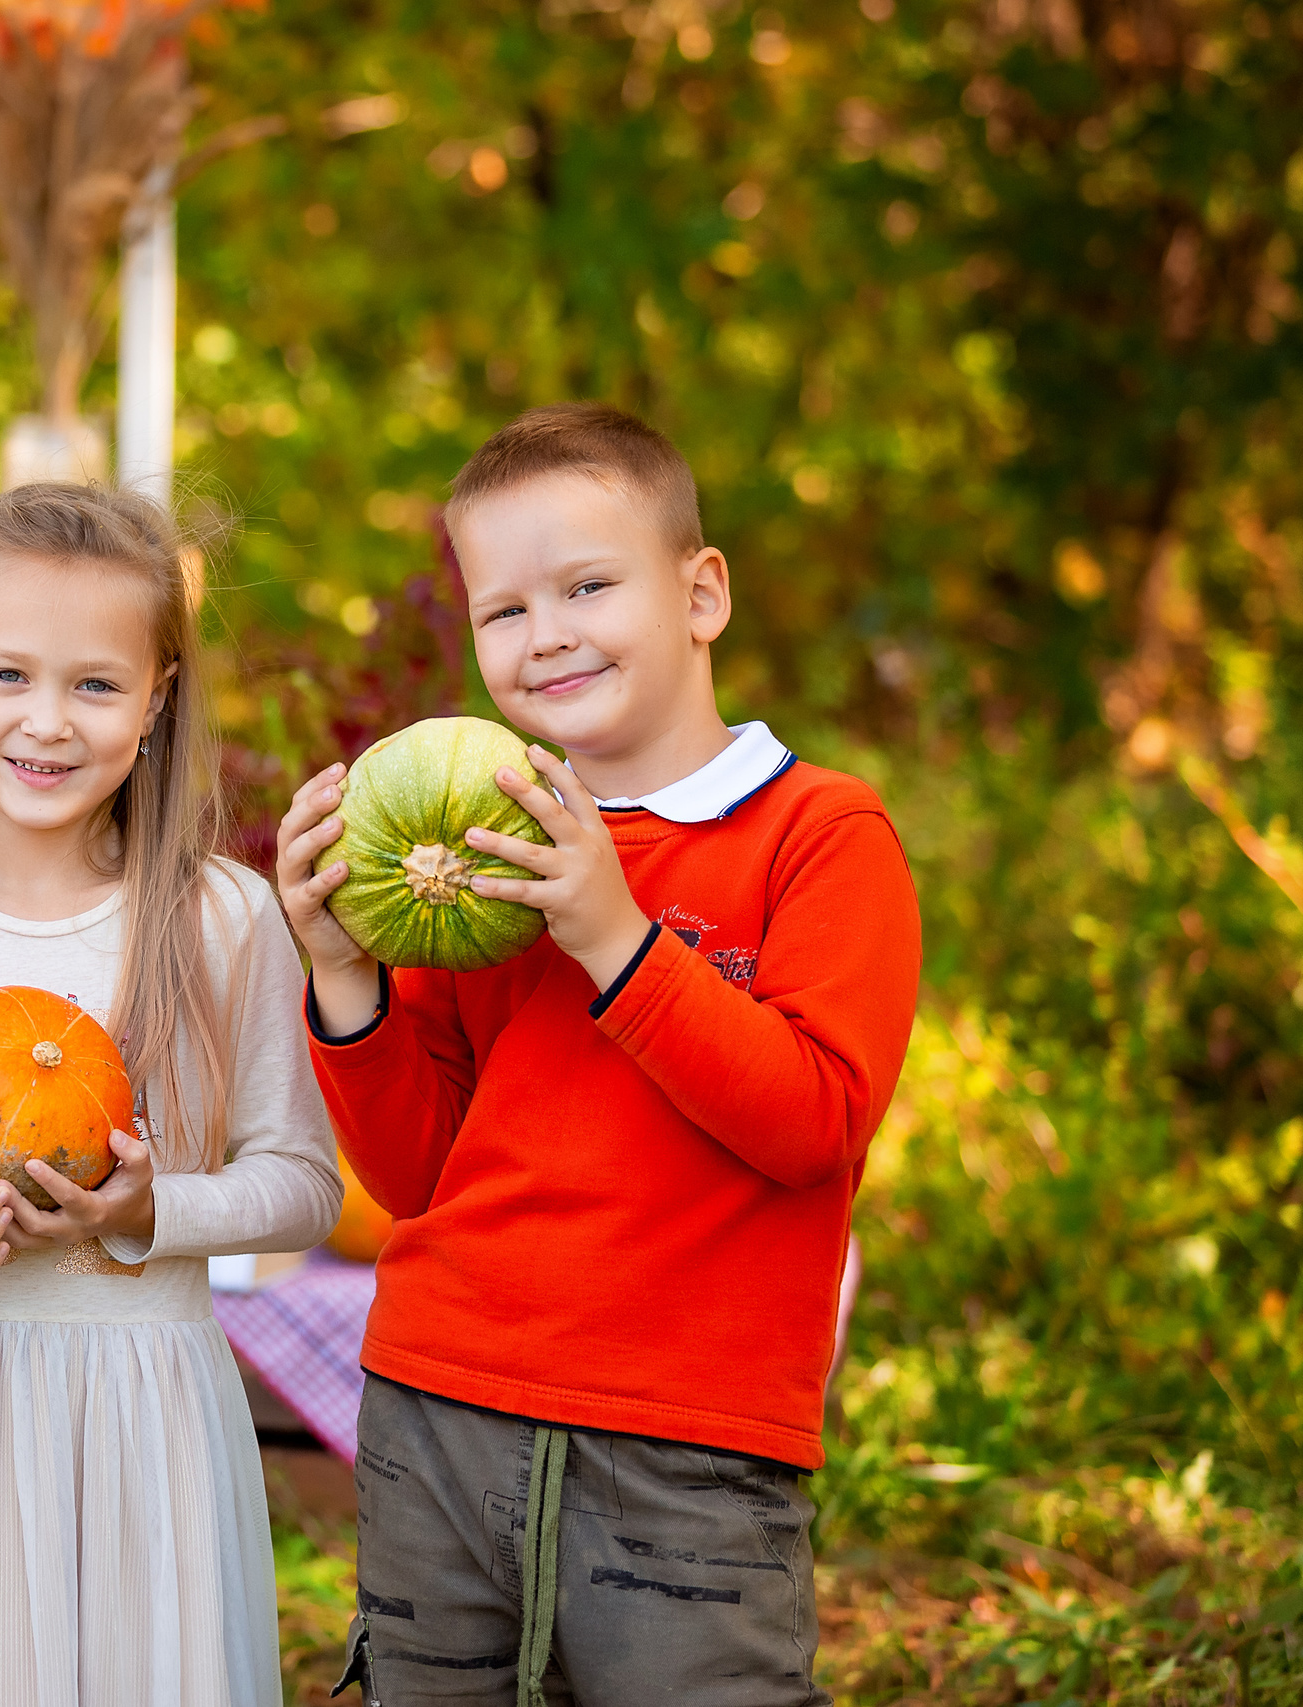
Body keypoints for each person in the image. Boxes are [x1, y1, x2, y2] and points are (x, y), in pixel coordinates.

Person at [275, 403, 921, 1706]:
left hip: (688, 1447)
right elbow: (417, 1173)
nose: (546, 631)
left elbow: (811, 1122)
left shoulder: (823, 835)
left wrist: (618, 935)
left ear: (701, 592)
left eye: (587, 585)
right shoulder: (478, 837)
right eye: (503, 609)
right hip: (439, 1406)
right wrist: (345, 977)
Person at [0, 485, 342, 1707]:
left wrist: (148, 1212)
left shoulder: (220, 923)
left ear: (157, 700)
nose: (47, 721)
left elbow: (302, 1186)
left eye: (94, 684)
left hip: (133, 1402)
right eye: (6, 676)